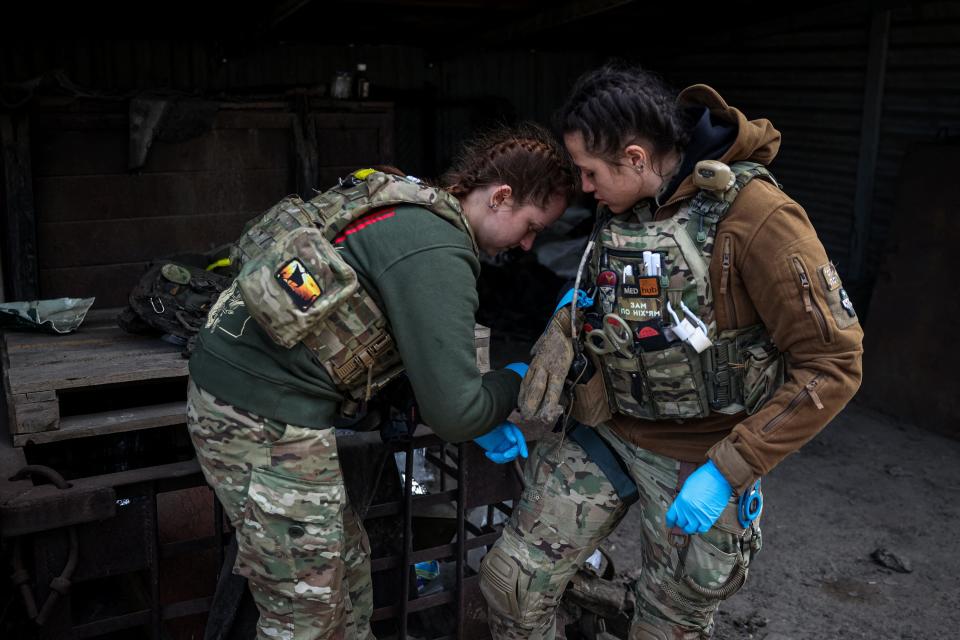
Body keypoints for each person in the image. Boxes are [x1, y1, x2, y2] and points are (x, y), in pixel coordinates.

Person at [480, 65, 864, 640]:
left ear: (635, 157)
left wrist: (730, 468)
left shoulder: (757, 217)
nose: (584, 188)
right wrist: (564, 328)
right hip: (609, 430)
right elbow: (618, 299)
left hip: (700, 456)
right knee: (512, 583)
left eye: (589, 172)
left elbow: (834, 364)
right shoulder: (631, 201)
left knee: (668, 625)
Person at [186, 123, 577, 640]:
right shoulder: (437, 250)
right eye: (530, 225)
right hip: (260, 416)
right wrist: (515, 381)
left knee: (348, 574)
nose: (528, 245)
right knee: (306, 614)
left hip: (264, 400)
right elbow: (456, 413)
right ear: (501, 196)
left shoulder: (413, 206)